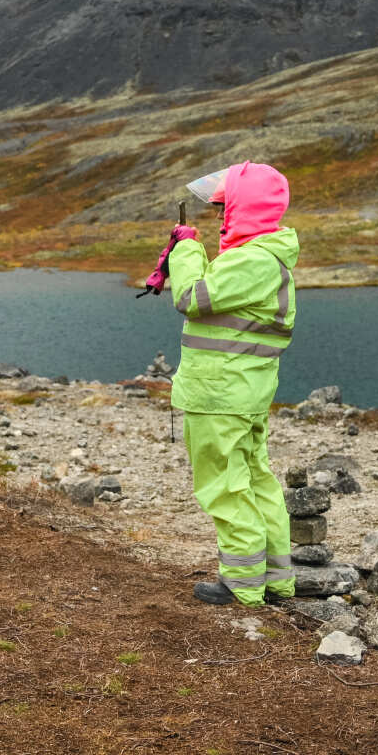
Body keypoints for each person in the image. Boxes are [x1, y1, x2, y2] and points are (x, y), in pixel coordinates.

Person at [154, 161, 298, 607]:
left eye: (223, 208)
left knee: (225, 486)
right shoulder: (264, 258)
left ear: (245, 209)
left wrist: (185, 249)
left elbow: (191, 298)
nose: (218, 218)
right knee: (255, 482)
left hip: (219, 395)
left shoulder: (252, 260)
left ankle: (242, 584)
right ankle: (273, 579)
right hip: (242, 395)